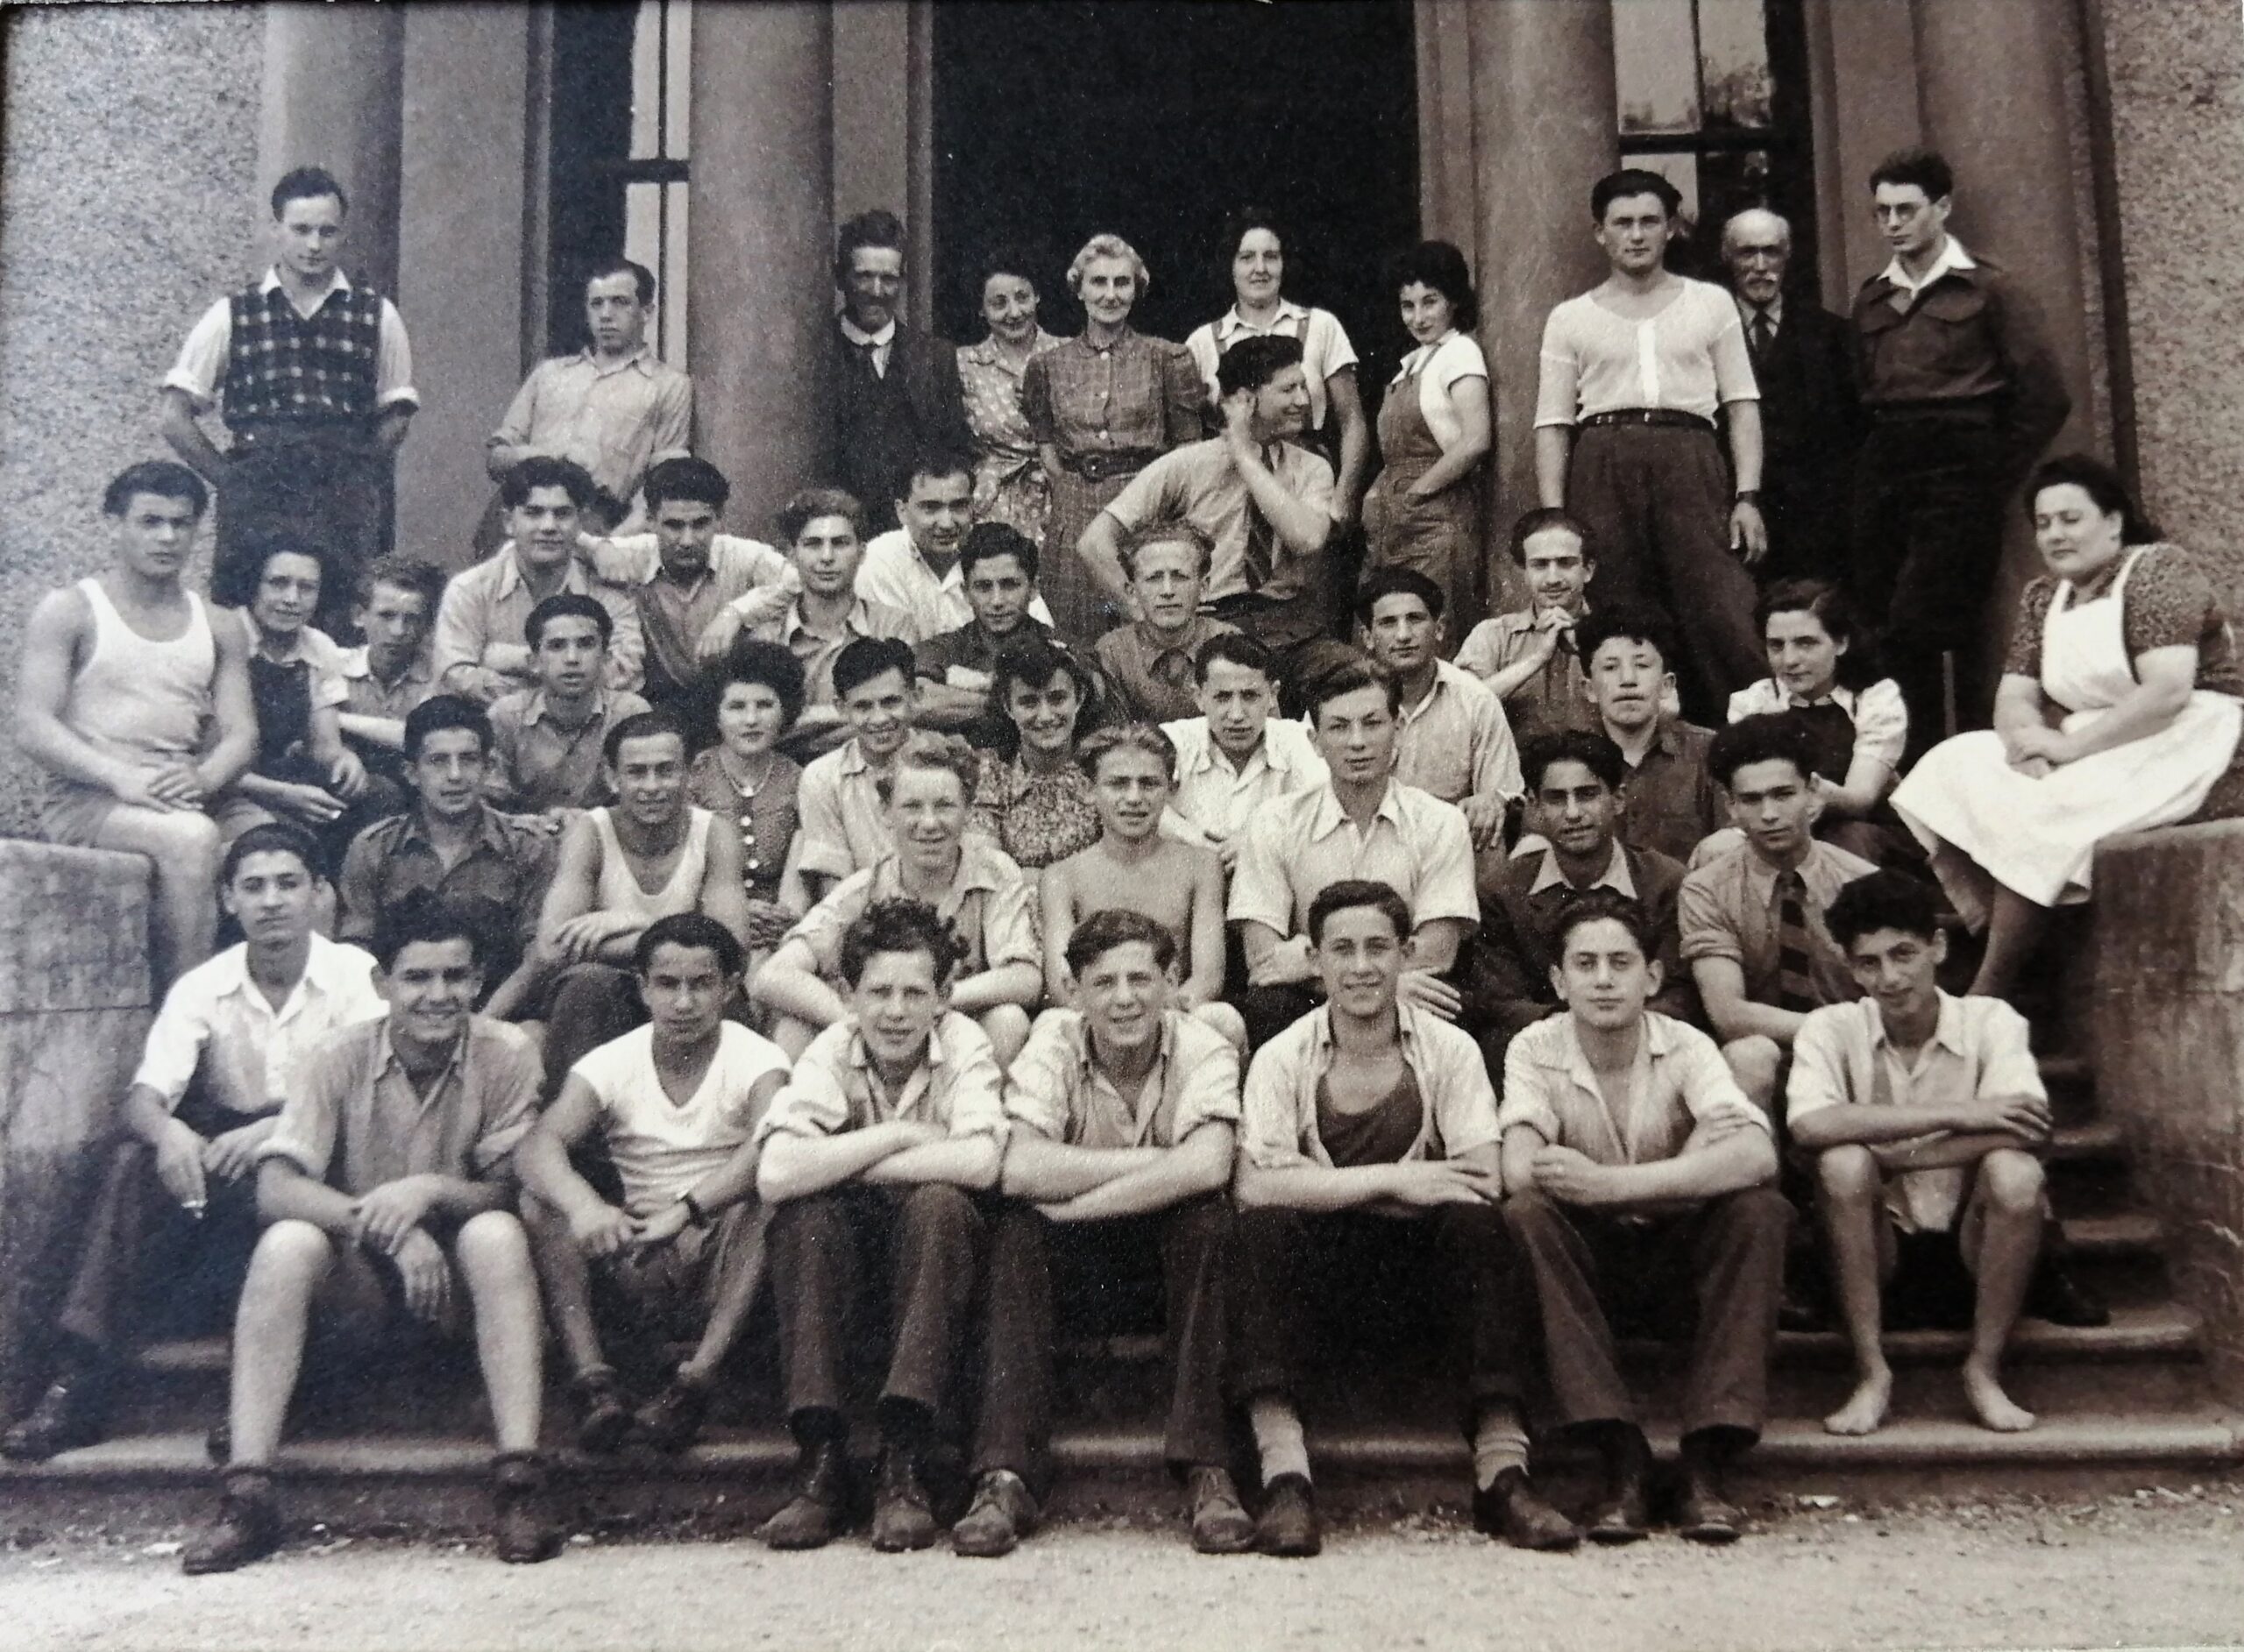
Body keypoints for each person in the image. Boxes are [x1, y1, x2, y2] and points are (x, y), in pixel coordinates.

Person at [180, 897, 555, 1574]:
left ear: (477, 981)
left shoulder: (507, 1052)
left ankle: (520, 1477)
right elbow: (277, 1186)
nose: (437, 995)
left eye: (454, 976)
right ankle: (248, 1490)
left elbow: (516, 1185)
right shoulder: (338, 1055)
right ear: (383, 984)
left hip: (466, 1290)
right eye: (417, 977)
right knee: (287, 1242)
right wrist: (386, 1231)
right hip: (361, 1287)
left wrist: (431, 1190)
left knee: (497, 1231)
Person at [0, 826, 384, 1464]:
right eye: (253, 886)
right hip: (228, 1152)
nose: (271, 901)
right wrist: (170, 1130)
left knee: (282, 1201)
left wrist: (275, 1130)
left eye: (289, 883)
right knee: (131, 1162)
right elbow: (143, 1096)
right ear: (228, 900)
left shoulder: (352, 974)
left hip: (325, 1154)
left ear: (320, 893)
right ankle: (78, 1380)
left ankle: (258, 1396)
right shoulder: (205, 983)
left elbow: (372, 1087)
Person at [1494, 890, 1791, 1545]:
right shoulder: (1534, 1045)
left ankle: (1706, 1462)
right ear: (1558, 979)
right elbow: (1520, 1166)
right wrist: (1668, 1183)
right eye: (1586, 963)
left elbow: (1754, 1151)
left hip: (1675, 1260)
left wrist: (1608, 1185)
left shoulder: (1685, 1044)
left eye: (1621, 963)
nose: (1603, 980)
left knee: (1760, 1212)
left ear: (1652, 977)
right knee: (1527, 1216)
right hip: (1590, 1268)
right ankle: (1619, 1455)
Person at [1232, 880, 1516, 1558]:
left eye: (1378, 948)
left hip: (1416, 1273)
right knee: (1259, 1233)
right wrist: (1399, 1178)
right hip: (1322, 1277)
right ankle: (1285, 1477)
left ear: (1407, 953)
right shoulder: (1283, 1055)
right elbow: (1252, 1186)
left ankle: (1504, 1470)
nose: (1361, 966)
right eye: (1342, 949)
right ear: (1315, 958)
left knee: (1479, 1229)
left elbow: (1484, 1177)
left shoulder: (1450, 1050)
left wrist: (1323, 1187)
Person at [1892, 455, 2244, 999]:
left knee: (2046, 813)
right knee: (1950, 765)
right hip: (2091, 741)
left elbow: (2167, 690)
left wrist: (2070, 747)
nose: (2055, 534)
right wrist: (2025, 746)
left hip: (2186, 735)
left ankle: (1993, 987)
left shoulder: (2157, 571)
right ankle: (2018, 937)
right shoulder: (2043, 597)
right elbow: (2014, 696)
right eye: (2044, 523)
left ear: (2114, 522)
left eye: (2071, 519)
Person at [962, 909, 1251, 1558]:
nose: (1124, 999)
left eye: (1141, 979)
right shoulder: (1054, 1040)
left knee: (1207, 1222)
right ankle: (1005, 1475)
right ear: (1074, 990)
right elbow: (1020, 1166)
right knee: (1016, 1233)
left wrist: (1082, 1201)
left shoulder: (1202, 1043)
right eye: (1105, 982)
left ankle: (1209, 1468)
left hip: (1161, 1257)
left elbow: (1210, 1166)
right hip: (1079, 1267)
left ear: (1172, 981)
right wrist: (1158, 1166)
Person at [753, 899, 1005, 1554]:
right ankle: (822, 1460)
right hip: (851, 1254)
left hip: (931, 1252)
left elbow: (980, 1159)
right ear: (848, 993)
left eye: (914, 992)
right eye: (879, 991)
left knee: (940, 1204)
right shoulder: (832, 1049)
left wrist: (840, 1159)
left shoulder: (966, 1043)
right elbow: (776, 1171)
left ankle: (905, 1458)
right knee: (806, 1218)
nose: (895, 1011)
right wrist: (894, 1135)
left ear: (944, 996)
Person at [1789, 871, 2054, 1437]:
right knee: (1841, 1164)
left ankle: (1983, 1369)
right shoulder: (1830, 1027)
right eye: (1868, 962)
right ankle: (1871, 1372)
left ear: (1938, 946)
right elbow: (1811, 1124)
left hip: (1972, 1241)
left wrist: (1891, 1153)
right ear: (1851, 967)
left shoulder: (1991, 1021)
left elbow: (2028, 1127)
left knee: (2016, 1171)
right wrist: (1959, 1114)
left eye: (1903, 953)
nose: (1889, 977)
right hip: (1878, 1245)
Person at [517, 913, 791, 1455]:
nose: (683, 1002)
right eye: (667, 984)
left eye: (701, 984)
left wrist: (689, 1210)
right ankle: (594, 1385)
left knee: (774, 1198)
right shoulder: (614, 1060)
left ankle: (694, 1385)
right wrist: (587, 1209)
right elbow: (538, 1144)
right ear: (643, 989)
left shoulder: (758, 1058)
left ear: (730, 988)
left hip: (722, 1250)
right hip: (638, 1251)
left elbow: (773, 1145)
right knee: (540, 1201)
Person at [1850, 149, 2072, 755]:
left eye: (1907, 209)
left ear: (1942, 208)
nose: (1893, 222)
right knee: (1877, 618)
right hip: (1889, 467)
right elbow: (1862, 388)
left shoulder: (1990, 288)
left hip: (1962, 465)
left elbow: (2046, 396)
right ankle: (1908, 771)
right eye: (1882, 212)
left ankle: (1955, 756)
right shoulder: (1873, 298)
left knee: (1926, 622)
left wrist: (1989, 476)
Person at [1535, 168, 1766, 715]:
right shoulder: (1570, 317)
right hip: (1602, 460)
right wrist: (1553, 519)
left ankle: (1746, 748)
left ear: (1670, 230)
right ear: (1600, 233)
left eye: (1649, 222)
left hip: (1690, 459)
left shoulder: (1711, 303)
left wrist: (1748, 496)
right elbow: (1552, 423)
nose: (1636, 235)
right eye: (1623, 223)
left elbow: (1742, 405)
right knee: (1614, 609)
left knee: (1719, 610)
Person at [18, 462, 256, 986]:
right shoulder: (71, 610)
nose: (168, 536)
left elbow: (242, 735)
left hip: (183, 791)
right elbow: (33, 726)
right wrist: (119, 777)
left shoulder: (219, 624)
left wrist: (204, 778)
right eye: (150, 521)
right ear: (114, 523)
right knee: (192, 840)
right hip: (90, 799)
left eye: (182, 523)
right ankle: (181, 1031)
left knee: (288, 853)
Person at [160, 167, 416, 634]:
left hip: (342, 496)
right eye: (301, 230)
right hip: (259, 492)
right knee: (245, 619)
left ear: (342, 234)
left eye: (327, 231)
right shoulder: (233, 313)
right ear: (276, 230)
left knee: (341, 620)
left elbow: (396, 413)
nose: (314, 245)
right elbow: (175, 417)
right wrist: (231, 479)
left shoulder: (376, 314)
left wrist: (357, 469)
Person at [1081, 335, 1350, 697]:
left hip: (1289, 627)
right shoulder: (1187, 464)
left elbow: (1307, 539)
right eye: (1289, 389)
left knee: (1354, 676)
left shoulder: (1312, 467)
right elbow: (1093, 543)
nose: (1303, 400)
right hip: (1209, 627)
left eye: (1304, 387)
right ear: (1245, 400)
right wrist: (1142, 612)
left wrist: (1244, 455)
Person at [1229, 661, 1477, 1047]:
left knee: (1449, 1002)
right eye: (1339, 727)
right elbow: (1263, 960)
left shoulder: (1440, 822)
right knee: (1268, 1005)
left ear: (1398, 730)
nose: (1357, 742)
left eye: (1372, 723)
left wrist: (1314, 963)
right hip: (1323, 995)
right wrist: (1372, 989)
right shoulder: (1274, 822)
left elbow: (1438, 952)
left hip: (1409, 991)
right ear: (1314, 741)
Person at [756, 740, 1040, 1066]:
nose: (929, 823)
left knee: (1009, 1020)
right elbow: (774, 974)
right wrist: (857, 1020)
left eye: (945, 806)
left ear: (968, 810)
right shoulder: (866, 887)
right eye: (912, 807)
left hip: (956, 1032)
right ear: (887, 813)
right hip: (880, 1036)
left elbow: (1025, 977)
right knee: (793, 1029)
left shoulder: (995, 872)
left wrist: (933, 1002)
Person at [530, 713, 753, 1081]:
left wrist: (638, 924)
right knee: (585, 983)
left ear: (690, 774)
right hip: (609, 993)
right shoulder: (591, 831)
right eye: (636, 772)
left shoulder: (714, 833)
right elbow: (552, 947)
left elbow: (732, 947)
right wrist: (674, 939)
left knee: (722, 993)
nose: (652, 786)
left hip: (689, 989)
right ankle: (578, 1131)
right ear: (611, 777)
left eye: (666, 770)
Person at [1462, 732, 1694, 1071]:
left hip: (1644, 1054)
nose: (1573, 813)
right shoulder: (1501, 892)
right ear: (1535, 806)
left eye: (1587, 796)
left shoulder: (1665, 883)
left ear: (1618, 798)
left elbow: (1678, 996)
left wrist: (1611, 1032)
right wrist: (1585, 1030)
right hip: (1543, 1057)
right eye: (1556, 799)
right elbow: (1501, 1004)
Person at [1682, 715, 1874, 1116]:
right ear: (1730, 807)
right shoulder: (1707, 888)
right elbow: (1729, 1014)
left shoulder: (1862, 882)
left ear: (1814, 794)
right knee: (1749, 1055)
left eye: (1783, 794)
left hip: (1852, 1056)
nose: (1769, 813)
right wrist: (1835, 1029)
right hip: (1772, 1054)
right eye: (1751, 800)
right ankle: (1760, 1176)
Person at [1025, 233, 1204, 642]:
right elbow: (1048, 450)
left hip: (1144, 511)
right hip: (1073, 514)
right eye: (1098, 282)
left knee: (1142, 623)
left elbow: (1188, 454)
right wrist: (1074, 494)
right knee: (1077, 632)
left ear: (1136, 290)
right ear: (1079, 289)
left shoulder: (1167, 358)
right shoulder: (1048, 366)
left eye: (1121, 283)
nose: (1110, 294)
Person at [337, 697, 557, 1021]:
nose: (455, 775)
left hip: (497, 1015)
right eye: (438, 761)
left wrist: (479, 1027)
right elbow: (357, 954)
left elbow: (537, 958)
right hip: (403, 1015)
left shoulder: (528, 847)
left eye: (468, 759)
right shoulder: (374, 847)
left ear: (489, 767)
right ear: (412, 772)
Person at [1040, 724, 1239, 1047]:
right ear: (1090, 790)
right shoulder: (1062, 876)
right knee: (1052, 1025)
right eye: (1118, 784)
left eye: (1148, 784)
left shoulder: (1200, 866)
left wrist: (1149, 1014)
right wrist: (1116, 1014)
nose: (1134, 798)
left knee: (1222, 1020)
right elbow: (1063, 983)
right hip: (1095, 1018)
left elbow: (1207, 978)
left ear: (1170, 790)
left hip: (1173, 1015)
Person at [1184, 206, 1372, 528]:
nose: (1260, 268)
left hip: (1306, 484)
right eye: (1246, 258)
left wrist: (1343, 500)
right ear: (1229, 266)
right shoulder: (1203, 341)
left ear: (1285, 263)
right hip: (1229, 485)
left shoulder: (1321, 326)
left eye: (1271, 256)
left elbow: (1353, 422)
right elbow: (1186, 433)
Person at [484, 257, 692, 540]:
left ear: (646, 311)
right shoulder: (549, 375)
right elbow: (497, 457)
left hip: (595, 521)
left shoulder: (668, 385)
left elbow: (664, 483)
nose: (606, 315)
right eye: (597, 304)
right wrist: (543, 455)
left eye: (620, 302)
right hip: (520, 515)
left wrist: (613, 544)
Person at [589, 456, 797, 727]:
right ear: (650, 520)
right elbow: (569, 540)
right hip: (662, 701)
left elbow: (796, 580)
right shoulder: (636, 554)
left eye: (700, 524)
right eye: (673, 525)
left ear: (719, 520)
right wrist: (600, 548)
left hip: (734, 704)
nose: (687, 540)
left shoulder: (744, 555)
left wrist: (735, 614)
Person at [214, 543, 384, 869]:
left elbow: (325, 746)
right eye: (278, 584)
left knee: (379, 797)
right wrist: (282, 794)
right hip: (227, 789)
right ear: (252, 584)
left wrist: (344, 760)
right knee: (285, 840)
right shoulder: (221, 637)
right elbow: (207, 761)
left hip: (286, 780)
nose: (292, 599)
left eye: (306, 588)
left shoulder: (317, 646)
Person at [1719, 209, 1862, 587]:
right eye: (1747, 253)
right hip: (1731, 517)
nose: (1761, 266)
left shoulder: (1832, 336)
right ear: (1727, 257)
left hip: (1816, 521)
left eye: (1772, 252)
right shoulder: (1708, 336)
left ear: (1788, 256)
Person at [1722, 579, 1908, 863]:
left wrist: (1818, 793)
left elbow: (1860, 799)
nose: (1789, 660)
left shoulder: (1874, 699)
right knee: (1721, 847)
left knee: (1845, 843)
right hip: (1779, 825)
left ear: (1841, 643)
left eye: (1805, 643)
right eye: (1776, 646)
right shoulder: (1753, 703)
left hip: (1866, 834)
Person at [433, 457, 643, 705]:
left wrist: (510, 659)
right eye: (533, 513)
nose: (548, 526)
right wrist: (564, 675)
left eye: (562, 514)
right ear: (509, 522)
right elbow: (457, 675)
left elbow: (625, 672)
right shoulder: (470, 589)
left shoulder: (606, 590)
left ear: (580, 522)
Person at [1362, 241, 1492, 631]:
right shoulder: (1414, 364)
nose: (1418, 317)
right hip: (1396, 525)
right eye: (1408, 305)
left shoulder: (1460, 353)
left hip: (1437, 522)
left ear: (1453, 301)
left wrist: (1415, 494)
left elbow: (1475, 440)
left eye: (1429, 302)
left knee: (1430, 632)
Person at [828, 209, 971, 535]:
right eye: (863, 276)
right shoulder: (815, 357)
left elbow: (954, 449)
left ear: (902, 282)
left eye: (889, 279)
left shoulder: (935, 357)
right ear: (841, 278)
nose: (876, 290)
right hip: (838, 536)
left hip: (915, 537)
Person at [1356, 565, 1523, 846]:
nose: (1403, 635)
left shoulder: (1476, 700)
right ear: (1368, 637)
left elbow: (1505, 793)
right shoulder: (1343, 698)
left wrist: (1491, 801)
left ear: (1440, 629)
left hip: (1444, 849)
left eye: (1415, 619)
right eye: (1388, 623)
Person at [742, 486, 913, 755]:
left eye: (840, 543)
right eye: (813, 544)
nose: (827, 557)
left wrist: (801, 723)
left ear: (862, 552)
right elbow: (759, 728)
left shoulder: (892, 626)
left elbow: (902, 717)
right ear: (791, 554)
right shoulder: (766, 639)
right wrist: (854, 716)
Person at [1156, 632, 1328, 872]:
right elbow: (1134, 803)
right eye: (1222, 697)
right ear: (1199, 697)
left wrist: (1258, 842)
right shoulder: (1172, 741)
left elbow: (1327, 808)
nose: (1236, 715)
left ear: (1272, 695)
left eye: (1250, 696)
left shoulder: (1300, 740)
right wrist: (1193, 839)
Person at [684, 640, 807, 960]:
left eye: (764, 705)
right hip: (705, 921)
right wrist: (735, 911)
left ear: (785, 710)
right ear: (716, 715)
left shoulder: (801, 780)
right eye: (736, 707)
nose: (751, 720)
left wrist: (784, 918)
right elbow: (685, 870)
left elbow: (800, 873)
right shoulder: (693, 777)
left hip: (781, 929)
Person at [1573, 609, 1724, 864]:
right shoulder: (1567, 759)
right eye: (1610, 667)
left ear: (1667, 685)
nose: (1628, 680)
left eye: (1642, 665)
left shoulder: (1709, 752)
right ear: (1589, 689)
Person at [486, 594, 652, 817]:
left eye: (586, 644)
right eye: (557, 646)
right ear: (534, 662)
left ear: (605, 657)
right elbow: (490, 804)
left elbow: (644, 797)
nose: (572, 658)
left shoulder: (631, 714)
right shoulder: (506, 717)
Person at [859, 450, 1054, 640]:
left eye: (958, 506)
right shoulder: (879, 560)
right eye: (931, 508)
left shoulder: (996, 554)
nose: (947, 523)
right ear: (902, 511)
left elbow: (1045, 637)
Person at [785, 637, 922, 904]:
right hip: (862, 924)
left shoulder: (946, 762)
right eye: (863, 706)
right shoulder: (821, 777)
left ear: (915, 698)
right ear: (841, 708)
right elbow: (834, 887)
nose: (880, 719)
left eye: (891, 702)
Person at [1456, 508, 1601, 744]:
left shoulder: (1616, 630)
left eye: (1565, 563)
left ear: (1588, 570)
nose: (1553, 578)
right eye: (1540, 565)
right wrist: (1537, 658)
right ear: (1524, 572)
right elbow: (1457, 711)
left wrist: (1583, 647)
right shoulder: (1493, 635)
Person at [913, 523, 1058, 750]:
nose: (997, 601)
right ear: (966, 593)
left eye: (1010, 585)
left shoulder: (1058, 648)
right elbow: (915, 701)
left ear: (1033, 589)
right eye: (983, 587)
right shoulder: (944, 648)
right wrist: (1014, 699)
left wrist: (963, 689)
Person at [970, 633, 1107, 871]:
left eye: (1057, 699)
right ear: (1008, 706)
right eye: (1029, 702)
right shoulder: (990, 772)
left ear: (1080, 697)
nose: (1045, 716)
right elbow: (986, 865)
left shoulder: (1103, 767)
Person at [958, 250, 1064, 542]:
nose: (1014, 312)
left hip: (1061, 500)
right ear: (982, 310)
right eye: (999, 303)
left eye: (1022, 297)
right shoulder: (964, 365)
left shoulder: (1067, 355)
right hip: (992, 502)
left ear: (1037, 297)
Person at [1092, 520, 1240, 725]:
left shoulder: (1230, 643)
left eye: (1180, 577)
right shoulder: (1113, 652)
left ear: (1204, 588)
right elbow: (1111, 737)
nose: (1168, 591)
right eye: (1154, 578)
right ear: (1132, 592)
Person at [334, 555, 447, 791]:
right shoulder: (333, 666)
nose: (398, 631)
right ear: (358, 616)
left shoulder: (442, 675)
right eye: (386, 616)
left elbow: (422, 738)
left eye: (412, 619)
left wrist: (333, 720)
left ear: (428, 625)